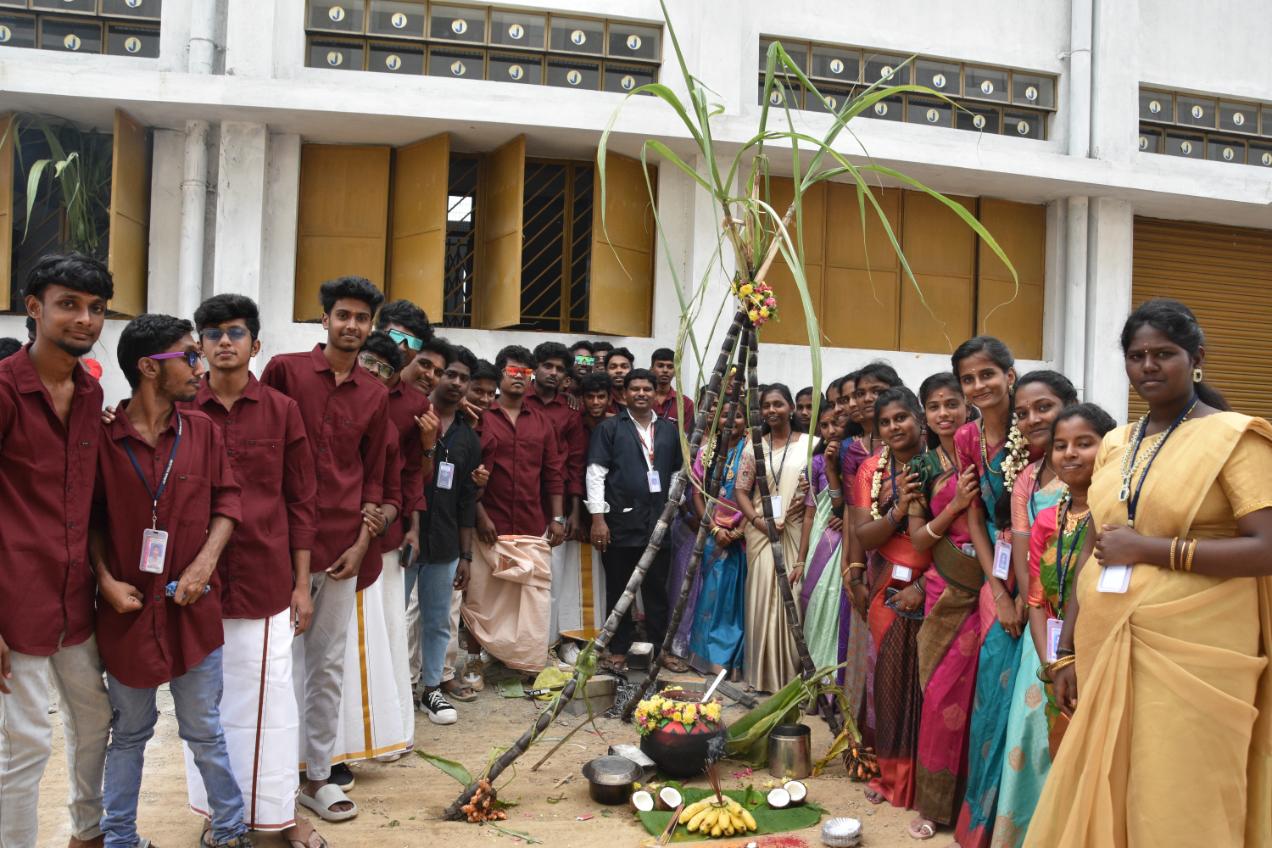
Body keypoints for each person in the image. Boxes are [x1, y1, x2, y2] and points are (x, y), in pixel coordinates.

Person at [1027, 300, 1272, 847]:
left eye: (1165, 353)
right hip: (1105, 638)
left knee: (1182, 791)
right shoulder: (1118, 441)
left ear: (1197, 358)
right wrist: (1064, 651)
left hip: (1199, 651)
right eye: (1137, 356)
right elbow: (1095, 542)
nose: (1149, 366)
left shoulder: (1237, 437)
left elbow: (1266, 548)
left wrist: (1151, 550)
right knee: (1114, 779)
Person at [91, 314, 247, 848]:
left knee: (205, 730)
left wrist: (205, 564)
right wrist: (106, 580)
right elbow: (88, 520)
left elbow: (228, 502)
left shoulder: (202, 430)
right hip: (128, 613)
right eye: (188, 355)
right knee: (129, 734)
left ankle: (230, 832)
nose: (199, 365)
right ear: (148, 368)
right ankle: (120, 838)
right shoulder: (105, 439)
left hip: (192, 608)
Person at [182, 295, 323, 847]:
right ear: (199, 344)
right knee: (206, 706)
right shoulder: (183, 408)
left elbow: (301, 500)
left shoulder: (282, 410)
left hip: (266, 582)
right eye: (212, 332)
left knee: (270, 703)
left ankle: (276, 817)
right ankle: (220, 814)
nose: (224, 342)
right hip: (196, 585)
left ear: (255, 345)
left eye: (235, 332)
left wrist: (301, 585)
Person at [261, 276, 391, 823]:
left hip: (341, 549)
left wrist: (363, 544)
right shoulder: (285, 372)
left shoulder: (375, 393)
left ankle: (317, 776)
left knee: (327, 666)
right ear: (325, 319)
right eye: (343, 315)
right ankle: (270, 777)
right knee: (272, 665)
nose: (352, 326)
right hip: (276, 546)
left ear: (370, 327)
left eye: (362, 318)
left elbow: (377, 479)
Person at [0, 254, 114, 848]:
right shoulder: (3, 390)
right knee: (24, 743)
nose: (85, 318)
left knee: (93, 719)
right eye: (69, 304)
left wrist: (102, 575)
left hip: (75, 597)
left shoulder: (91, 395)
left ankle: (87, 833)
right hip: (12, 598)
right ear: (35, 308)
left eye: (95, 308)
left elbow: (91, 504)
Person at [992, 371, 1078, 846]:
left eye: (1043, 407)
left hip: (1092, 617)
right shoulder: (1026, 476)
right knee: (1032, 725)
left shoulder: (1095, 459)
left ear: (1068, 402)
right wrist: (1034, 610)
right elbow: (1025, 550)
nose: (1031, 419)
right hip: (1046, 620)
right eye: (1022, 413)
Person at [950, 336, 1030, 848]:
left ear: (1010, 374)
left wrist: (1031, 594)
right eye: (968, 379)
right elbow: (974, 515)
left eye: (987, 375)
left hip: (1044, 566)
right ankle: (983, 824)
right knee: (991, 696)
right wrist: (1000, 592)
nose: (979, 386)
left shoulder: (1037, 428)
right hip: (997, 568)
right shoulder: (966, 438)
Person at [907, 372, 991, 839]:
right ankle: (934, 805)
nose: (945, 413)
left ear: (967, 406)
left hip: (988, 585)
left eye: (952, 403)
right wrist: (954, 504)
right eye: (935, 405)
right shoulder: (920, 468)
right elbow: (919, 539)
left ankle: (971, 802)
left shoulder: (986, 455)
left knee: (980, 695)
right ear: (926, 413)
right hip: (944, 587)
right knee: (940, 697)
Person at [851, 387, 931, 812]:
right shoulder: (871, 470)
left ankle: (928, 779)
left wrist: (929, 583)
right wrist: (898, 509)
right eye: (886, 422)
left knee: (929, 686)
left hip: (940, 583)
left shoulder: (942, 463)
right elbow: (864, 536)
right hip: (888, 585)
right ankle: (894, 776)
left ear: (920, 418)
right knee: (891, 682)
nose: (895, 426)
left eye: (902, 417)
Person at [465, 346, 565, 674]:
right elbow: (469, 471)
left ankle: (524, 662)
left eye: (526, 373)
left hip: (530, 523)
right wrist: (479, 515)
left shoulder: (541, 422)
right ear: (499, 375)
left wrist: (557, 518)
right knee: (484, 597)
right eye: (513, 372)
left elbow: (553, 472)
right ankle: (477, 660)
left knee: (531, 600)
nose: (520, 378)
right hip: (487, 524)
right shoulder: (481, 417)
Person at [1024, 404, 1114, 760]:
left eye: (1084, 443)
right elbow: (1034, 601)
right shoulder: (1047, 520)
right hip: (1059, 661)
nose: (1070, 453)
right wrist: (1056, 664)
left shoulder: (1116, 515)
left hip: (1105, 653)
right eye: (1060, 445)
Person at [586, 368, 683, 671]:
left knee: (656, 590)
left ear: (657, 394)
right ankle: (618, 648)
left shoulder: (669, 430)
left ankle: (658, 648)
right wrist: (598, 520)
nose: (641, 394)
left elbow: (678, 472)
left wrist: (671, 507)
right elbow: (595, 474)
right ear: (624, 394)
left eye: (647, 389)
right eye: (635, 389)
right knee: (619, 588)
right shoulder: (610, 428)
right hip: (619, 523)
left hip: (658, 523)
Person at [374, 303, 437, 754]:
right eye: (395, 335)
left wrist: (413, 526)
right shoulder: (344, 386)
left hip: (388, 531)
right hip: (334, 531)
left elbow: (415, 474)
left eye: (412, 342)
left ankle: (387, 729)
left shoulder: (415, 406)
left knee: (387, 631)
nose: (402, 347)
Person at [409, 343, 481, 722]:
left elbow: (467, 499)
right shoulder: (412, 417)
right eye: (449, 374)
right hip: (404, 538)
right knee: (395, 618)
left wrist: (466, 555)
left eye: (463, 378)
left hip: (445, 542)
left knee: (438, 620)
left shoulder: (469, 439)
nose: (455, 382)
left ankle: (431, 690)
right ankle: (395, 689)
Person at [737, 384, 809, 693]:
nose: (771, 410)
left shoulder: (811, 444)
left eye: (778, 404)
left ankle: (794, 674)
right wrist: (756, 521)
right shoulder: (754, 445)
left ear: (791, 407)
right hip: (761, 532)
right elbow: (741, 490)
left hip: (796, 527)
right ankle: (763, 675)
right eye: (766, 405)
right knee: (763, 597)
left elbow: (816, 489)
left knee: (793, 595)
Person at [526, 342, 588, 646]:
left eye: (560, 369)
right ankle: (504, 648)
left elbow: (576, 464)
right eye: (547, 366)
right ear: (535, 367)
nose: (553, 373)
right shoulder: (516, 400)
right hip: (518, 501)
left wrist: (573, 512)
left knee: (552, 580)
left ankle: (547, 647)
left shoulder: (570, 411)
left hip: (557, 504)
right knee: (517, 579)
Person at [688, 403, 749, 676]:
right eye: (726, 415)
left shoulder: (752, 451)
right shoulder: (706, 451)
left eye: (737, 414)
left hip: (744, 535)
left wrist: (740, 530)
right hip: (714, 535)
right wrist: (714, 529)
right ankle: (707, 656)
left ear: (746, 419)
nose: (731, 420)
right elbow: (697, 494)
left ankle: (731, 659)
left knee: (734, 602)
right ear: (715, 419)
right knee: (711, 597)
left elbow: (760, 495)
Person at [796, 405, 849, 682]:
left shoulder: (854, 455)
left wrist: (845, 515)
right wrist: (801, 558)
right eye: (824, 426)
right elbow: (810, 512)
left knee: (835, 606)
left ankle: (830, 679)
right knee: (816, 602)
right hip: (823, 536)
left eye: (836, 424)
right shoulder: (815, 462)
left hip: (848, 540)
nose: (831, 431)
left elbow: (846, 505)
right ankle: (812, 676)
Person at [650, 348, 695, 432]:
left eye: (670, 367)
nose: (665, 370)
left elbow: (686, 437)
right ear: (651, 369)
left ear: (675, 372)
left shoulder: (686, 403)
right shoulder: (642, 398)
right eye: (660, 366)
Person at [605, 346, 634, 412]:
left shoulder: (641, 396)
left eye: (624, 367)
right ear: (606, 371)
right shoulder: (601, 399)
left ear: (632, 370)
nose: (619, 370)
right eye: (613, 367)